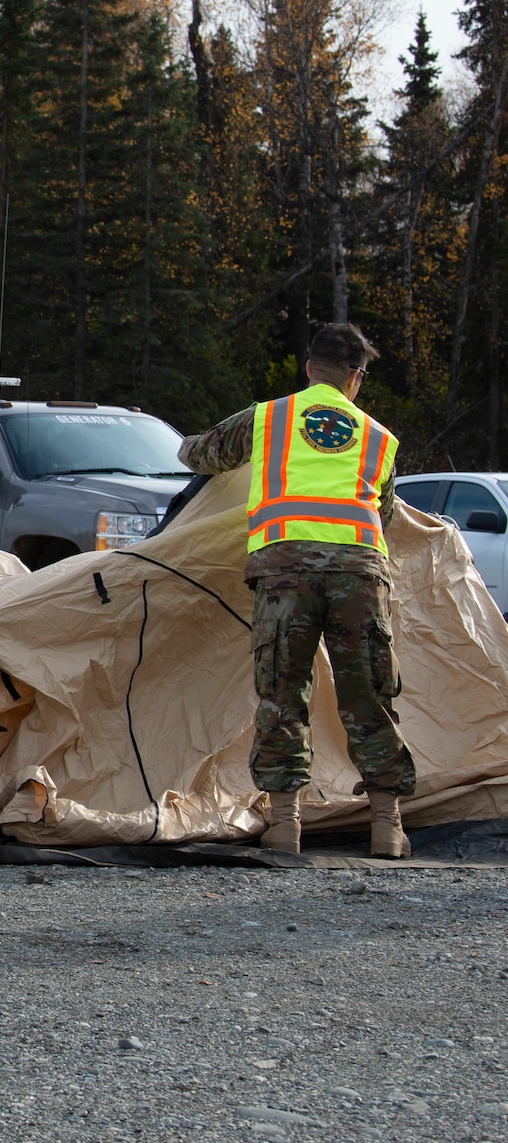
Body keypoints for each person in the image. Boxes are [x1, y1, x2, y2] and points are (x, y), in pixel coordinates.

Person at [178, 322, 416, 859]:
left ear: (309, 368)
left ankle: (285, 826)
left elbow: (199, 455)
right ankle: (387, 827)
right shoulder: (381, 438)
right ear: (357, 379)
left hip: (284, 569)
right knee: (369, 695)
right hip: (359, 572)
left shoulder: (268, 418)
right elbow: (386, 512)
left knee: (283, 694)